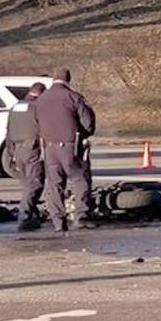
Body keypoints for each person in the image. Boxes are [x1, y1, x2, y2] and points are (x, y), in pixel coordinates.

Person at [33, 68, 96, 232]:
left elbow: (35, 122)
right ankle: (81, 216)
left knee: (54, 185)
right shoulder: (72, 97)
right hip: (69, 146)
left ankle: (58, 222)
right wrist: (85, 134)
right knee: (80, 180)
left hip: (49, 147)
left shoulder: (41, 99)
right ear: (68, 79)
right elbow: (88, 122)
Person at [6, 82, 47, 231]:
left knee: (26, 184)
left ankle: (32, 216)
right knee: (35, 183)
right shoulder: (37, 107)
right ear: (41, 93)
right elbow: (43, 129)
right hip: (32, 148)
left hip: (17, 149)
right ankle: (24, 214)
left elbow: (8, 130)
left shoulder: (15, 107)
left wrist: (11, 152)